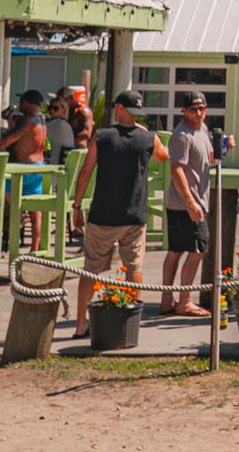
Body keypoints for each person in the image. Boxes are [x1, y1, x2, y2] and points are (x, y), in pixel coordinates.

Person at [69, 90, 166, 338]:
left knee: (90, 269)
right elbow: (165, 157)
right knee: (133, 267)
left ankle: (81, 324)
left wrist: (77, 206)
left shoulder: (101, 137)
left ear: (118, 109)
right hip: (134, 215)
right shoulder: (148, 139)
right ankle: (128, 318)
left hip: (103, 214)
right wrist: (144, 132)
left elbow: (85, 173)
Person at [159, 91, 213, 317]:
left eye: (201, 108)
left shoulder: (203, 130)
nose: (198, 113)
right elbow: (176, 169)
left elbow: (210, 158)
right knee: (198, 249)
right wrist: (191, 202)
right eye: (193, 109)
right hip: (186, 203)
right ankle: (185, 301)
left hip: (192, 201)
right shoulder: (182, 135)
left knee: (177, 249)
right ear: (184, 111)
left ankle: (166, 300)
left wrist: (225, 145)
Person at [3, 90, 51, 251]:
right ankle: (34, 248)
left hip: (23, 168)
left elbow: (11, 139)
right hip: (39, 166)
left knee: (1, 189)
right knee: (35, 211)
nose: (21, 104)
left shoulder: (27, 120)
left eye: (23, 101)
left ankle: (19, 212)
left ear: (30, 103)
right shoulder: (41, 120)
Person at [44, 97, 77, 166]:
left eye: (55, 108)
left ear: (63, 110)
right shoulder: (67, 125)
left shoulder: (56, 124)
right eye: (50, 108)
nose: (52, 111)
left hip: (52, 164)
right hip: (64, 165)